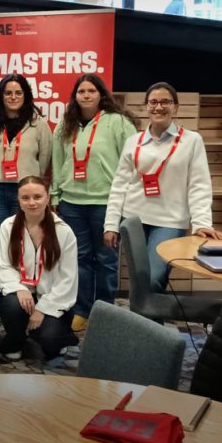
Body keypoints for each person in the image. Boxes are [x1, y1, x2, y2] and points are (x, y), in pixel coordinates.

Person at [105, 82, 222, 293]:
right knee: (139, 281)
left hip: (169, 221)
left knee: (153, 280)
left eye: (165, 102)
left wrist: (202, 222)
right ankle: (140, 326)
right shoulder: (133, 141)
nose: (158, 107)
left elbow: (199, 185)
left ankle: (150, 326)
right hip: (133, 219)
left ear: (175, 107)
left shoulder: (191, 140)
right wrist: (111, 225)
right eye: (153, 102)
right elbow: (119, 185)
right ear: (146, 106)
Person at [51, 74, 138, 332]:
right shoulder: (64, 124)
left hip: (106, 204)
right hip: (72, 203)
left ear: (101, 94)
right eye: (81, 91)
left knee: (107, 260)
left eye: (91, 91)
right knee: (79, 259)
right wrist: (55, 195)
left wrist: (127, 200)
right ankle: (83, 310)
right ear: (74, 96)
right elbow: (57, 162)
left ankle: (105, 311)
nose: (86, 95)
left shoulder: (118, 123)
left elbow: (134, 161)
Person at [0, 74, 52, 317]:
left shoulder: (37, 123)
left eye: (18, 93)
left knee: (24, 246)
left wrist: (34, 188)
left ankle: (20, 299)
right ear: (0, 96)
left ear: (25, 95)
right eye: (8, 93)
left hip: (26, 194)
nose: (13, 97)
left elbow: (45, 158)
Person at [0, 176, 79, 361]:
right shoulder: (8, 226)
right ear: (18, 200)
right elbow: (4, 265)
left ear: (47, 198)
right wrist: (19, 288)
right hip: (22, 293)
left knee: (50, 344)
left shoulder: (63, 232)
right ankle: (16, 341)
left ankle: (55, 334)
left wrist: (42, 309)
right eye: (25, 198)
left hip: (51, 297)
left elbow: (68, 279)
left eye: (37, 197)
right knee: (11, 305)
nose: (31, 203)